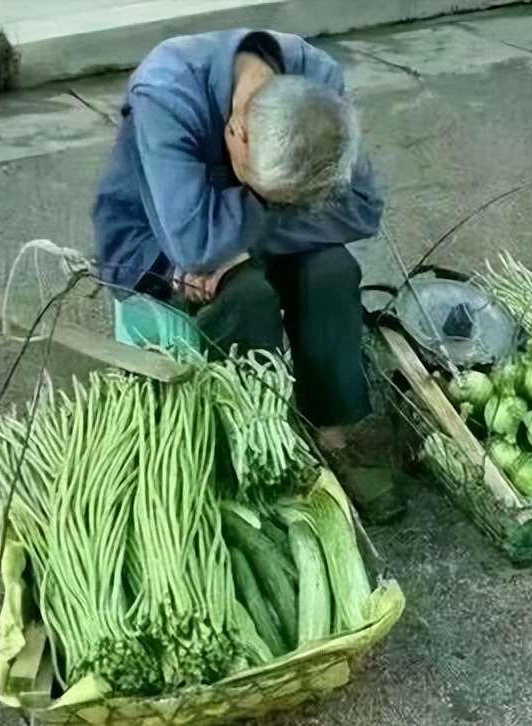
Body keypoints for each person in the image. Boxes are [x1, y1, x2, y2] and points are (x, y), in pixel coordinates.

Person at [92, 29, 405, 523]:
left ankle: (337, 426)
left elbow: (363, 209)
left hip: (249, 231)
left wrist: (251, 231)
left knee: (331, 269)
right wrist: (265, 217)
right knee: (248, 296)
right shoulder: (167, 91)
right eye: (263, 189)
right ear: (235, 129)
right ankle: (250, 445)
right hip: (156, 238)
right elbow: (191, 244)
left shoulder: (316, 82)